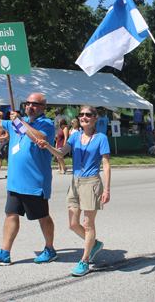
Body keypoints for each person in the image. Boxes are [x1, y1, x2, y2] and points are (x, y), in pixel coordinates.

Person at [0, 93, 57, 265]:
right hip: (15, 181)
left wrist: (21, 122)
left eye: (35, 104)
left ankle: (49, 249)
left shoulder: (46, 124)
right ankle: (4, 252)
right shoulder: (15, 123)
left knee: (42, 216)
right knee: (11, 214)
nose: (30, 106)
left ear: (43, 107)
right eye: (28, 103)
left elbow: (40, 138)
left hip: (34, 182)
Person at [38, 105, 111, 276]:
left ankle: (84, 261)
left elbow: (106, 164)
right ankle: (93, 244)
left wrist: (106, 189)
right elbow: (61, 153)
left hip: (92, 182)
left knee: (87, 224)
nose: (84, 117)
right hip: (75, 182)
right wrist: (48, 146)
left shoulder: (101, 138)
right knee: (72, 224)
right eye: (82, 114)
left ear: (95, 118)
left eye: (88, 115)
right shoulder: (75, 136)